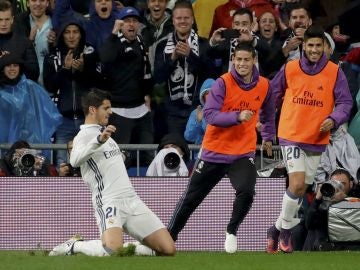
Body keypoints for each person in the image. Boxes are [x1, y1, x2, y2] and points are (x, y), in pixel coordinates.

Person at [167, 43, 275, 253]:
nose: (242, 64)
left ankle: (231, 231)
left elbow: (268, 114)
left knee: (247, 191)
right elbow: (210, 115)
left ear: (254, 60)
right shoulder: (222, 83)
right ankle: (168, 237)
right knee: (190, 199)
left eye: (246, 60)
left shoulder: (264, 85)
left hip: (242, 152)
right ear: (233, 59)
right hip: (214, 151)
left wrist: (269, 136)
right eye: (239, 59)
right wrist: (237, 116)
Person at [49, 88, 176, 257]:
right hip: (109, 200)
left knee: (168, 249)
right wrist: (98, 140)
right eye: (106, 108)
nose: (110, 111)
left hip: (131, 199)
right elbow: (75, 160)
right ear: (93, 109)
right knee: (112, 252)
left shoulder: (106, 134)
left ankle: (127, 247)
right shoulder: (84, 136)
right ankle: (75, 245)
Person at [266, 26, 353, 254]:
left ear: (325, 47)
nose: (314, 50)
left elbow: (345, 103)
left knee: (303, 187)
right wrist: (266, 126)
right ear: (304, 46)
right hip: (291, 134)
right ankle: (285, 232)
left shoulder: (335, 72)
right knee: (295, 183)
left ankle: (274, 229)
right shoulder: (290, 68)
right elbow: (273, 95)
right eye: (310, 45)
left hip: (316, 138)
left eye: (318, 46)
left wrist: (334, 119)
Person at [99, 6, 154, 166]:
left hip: (141, 110)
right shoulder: (114, 42)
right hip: (119, 111)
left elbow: (146, 71)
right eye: (127, 21)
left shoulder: (141, 42)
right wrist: (113, 33)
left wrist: (147, 94)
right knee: (121, 159)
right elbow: (105, 58)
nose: (131, 25)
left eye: (134, 21)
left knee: (147, 156)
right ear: (120, 24)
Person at [154, 0, 216, 138]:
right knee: (176, 151)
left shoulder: (204, 44)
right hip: (172, 112)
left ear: (193, 20)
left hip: (198, 110)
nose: (182, 21)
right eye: (179, 18)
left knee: (197, 152)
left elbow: (211, 76)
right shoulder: (163, 46)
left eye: (186, 18)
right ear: (173, 21)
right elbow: (158, 78)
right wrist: (172, 58)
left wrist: (191, 56)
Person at [43, 18, 99, 167]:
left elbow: (98, 83)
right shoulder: (51, 57)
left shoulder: (91, 54)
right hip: (62, 121)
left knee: (91, 164)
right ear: (62, 35)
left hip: (87, 121)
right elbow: (50, 86)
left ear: (81, 34)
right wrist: (66, 70)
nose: (72, 36)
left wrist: (82, 70)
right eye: (67, 32)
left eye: (75, 32)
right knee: (63, 165)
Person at [0, 53, 62, 146]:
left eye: (15, 65)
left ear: (20, 68)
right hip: (3, 143)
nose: (12, 68)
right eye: (8, 65)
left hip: (28, 142)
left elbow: (46, 112)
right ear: (2, 68)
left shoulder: (30, 87)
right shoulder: (1, 91)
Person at [303, 168, 357, 251]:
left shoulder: (356, 194)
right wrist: (317, 199)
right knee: (312, 232)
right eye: (334, 184)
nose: (338, 187)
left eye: (342, 184)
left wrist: (345, 199)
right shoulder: (323, 198)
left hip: (350, 238)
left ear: (350, 184)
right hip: (326, 239)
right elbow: (309, 224)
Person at [13, 0, 54, 86]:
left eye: (42, 0)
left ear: (47, 3)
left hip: (52, 86)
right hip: (28, 86)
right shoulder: (18, 23)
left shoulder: (56, 23)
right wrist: (29, 40)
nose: (38, 4)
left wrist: (57, 42)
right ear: (28, 3)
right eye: (34, 0)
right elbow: (14, 55)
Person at [0, 0, 39, 82]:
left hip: (19, 92)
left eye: (7, 19)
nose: (3, 24)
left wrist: (15, 60)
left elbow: (34, 73)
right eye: (0, 20)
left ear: (12, 19)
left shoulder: (24, 42)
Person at [184, 78, 215, 146]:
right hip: (200, 155)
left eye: (212, 93)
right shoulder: (196, 113)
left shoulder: (224, 112)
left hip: (220, 153)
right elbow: (189, 137)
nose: (210, 96)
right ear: (203, 96)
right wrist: (198, 122)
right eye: (207, 93)